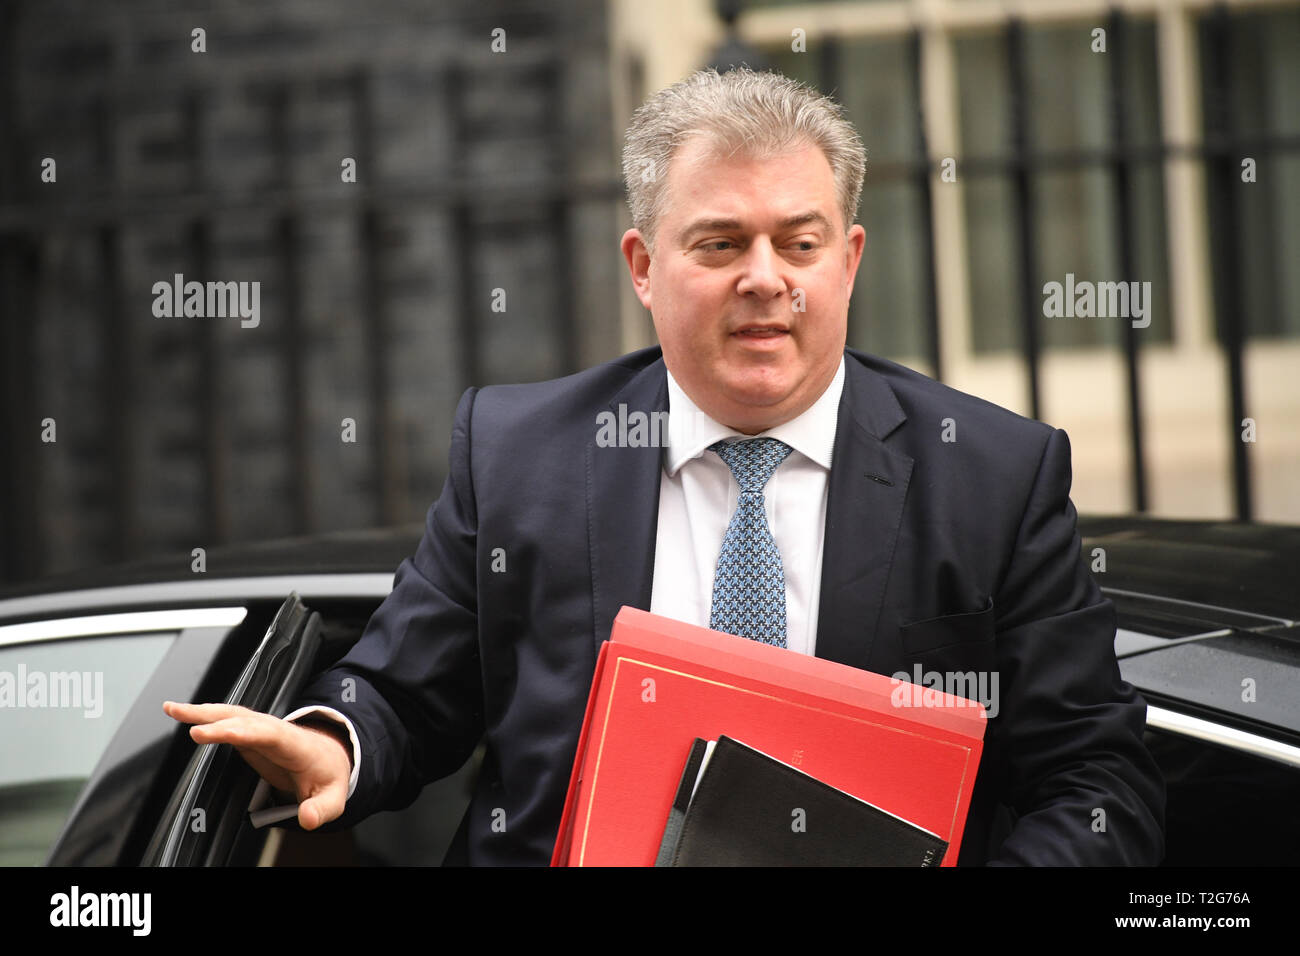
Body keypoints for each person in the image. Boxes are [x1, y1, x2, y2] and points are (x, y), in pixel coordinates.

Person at [165, 67, 1165, 865]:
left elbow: (1094, 783)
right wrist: (338, 742)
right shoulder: (520, 456)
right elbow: (405, 694)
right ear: (643, 266)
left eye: (798, 242)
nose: (764, 278)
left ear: (849, 258)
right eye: (720, 242)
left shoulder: (992, 476)